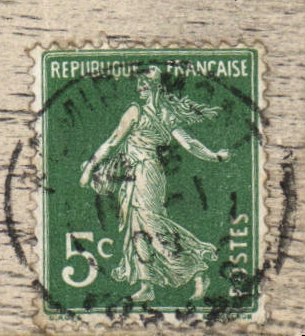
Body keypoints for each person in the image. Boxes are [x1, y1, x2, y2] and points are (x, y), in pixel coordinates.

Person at [79, 67, 230, 302]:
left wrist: (215, 156)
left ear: (157, 87)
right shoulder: (137, 111)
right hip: (133, 175)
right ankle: (146, 284)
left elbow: (189, 143)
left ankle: (199, 271)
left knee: (153, 228)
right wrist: (90, 166)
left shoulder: (160, 114)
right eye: (138, 85)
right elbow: (112, 141)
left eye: (145, 85)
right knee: (136, 228)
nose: (140, 90)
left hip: (148, 175)